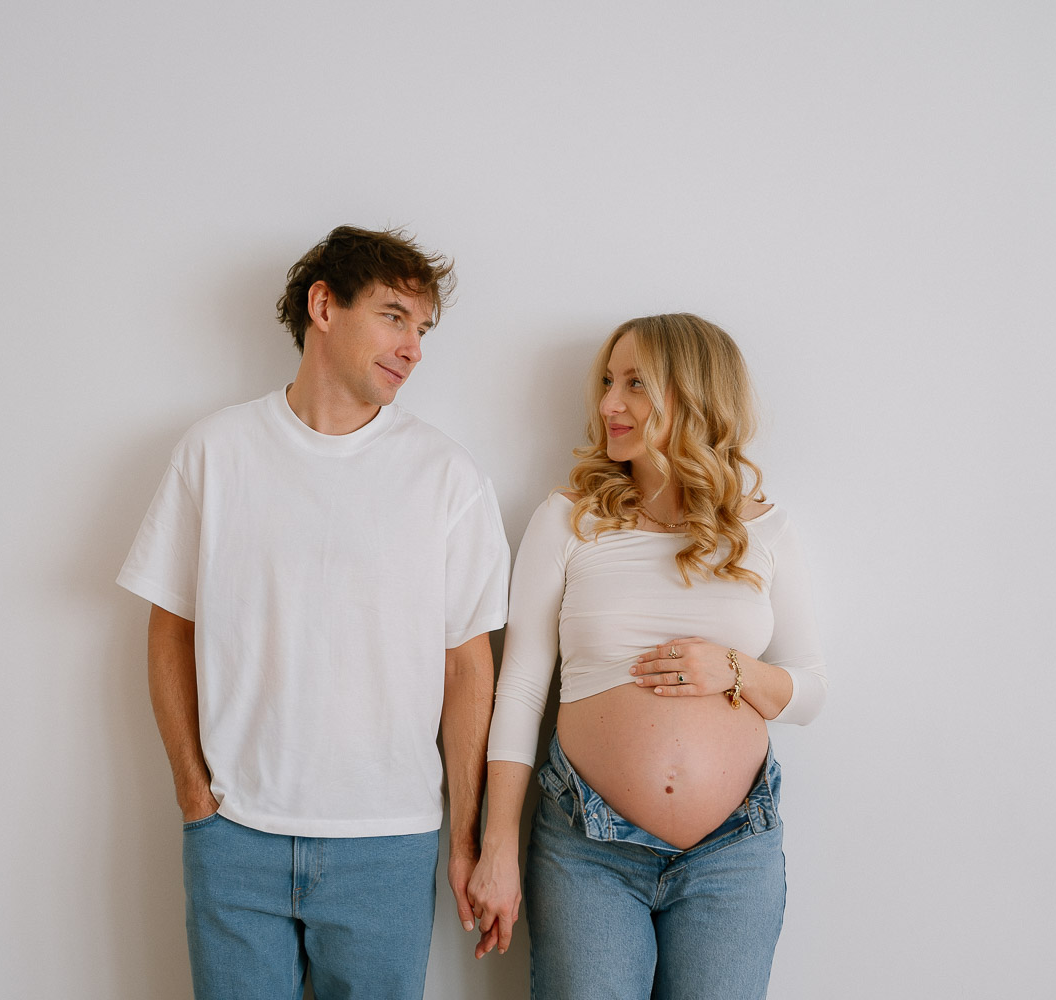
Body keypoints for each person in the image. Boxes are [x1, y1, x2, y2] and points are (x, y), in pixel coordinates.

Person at [116, 225, 510, 999]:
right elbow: (171, 625)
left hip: (388, 843)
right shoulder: (217, 451)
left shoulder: (447, 477)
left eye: (422, 329)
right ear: (323, 306)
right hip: (236, 839)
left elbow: (468, 665)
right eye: (395, 316)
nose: (413, 348)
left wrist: (462, 835)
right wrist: (194, 795)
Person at [466, 313, 827, 998]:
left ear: (692, 395)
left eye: (635, 384)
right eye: (607, 381)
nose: (608, 404)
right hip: (587, 849)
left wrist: (735, 669)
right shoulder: (569, 518)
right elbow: (518, 691)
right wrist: (498, 848)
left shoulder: (766, 530)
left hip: (733, 853)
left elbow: (809, 691)